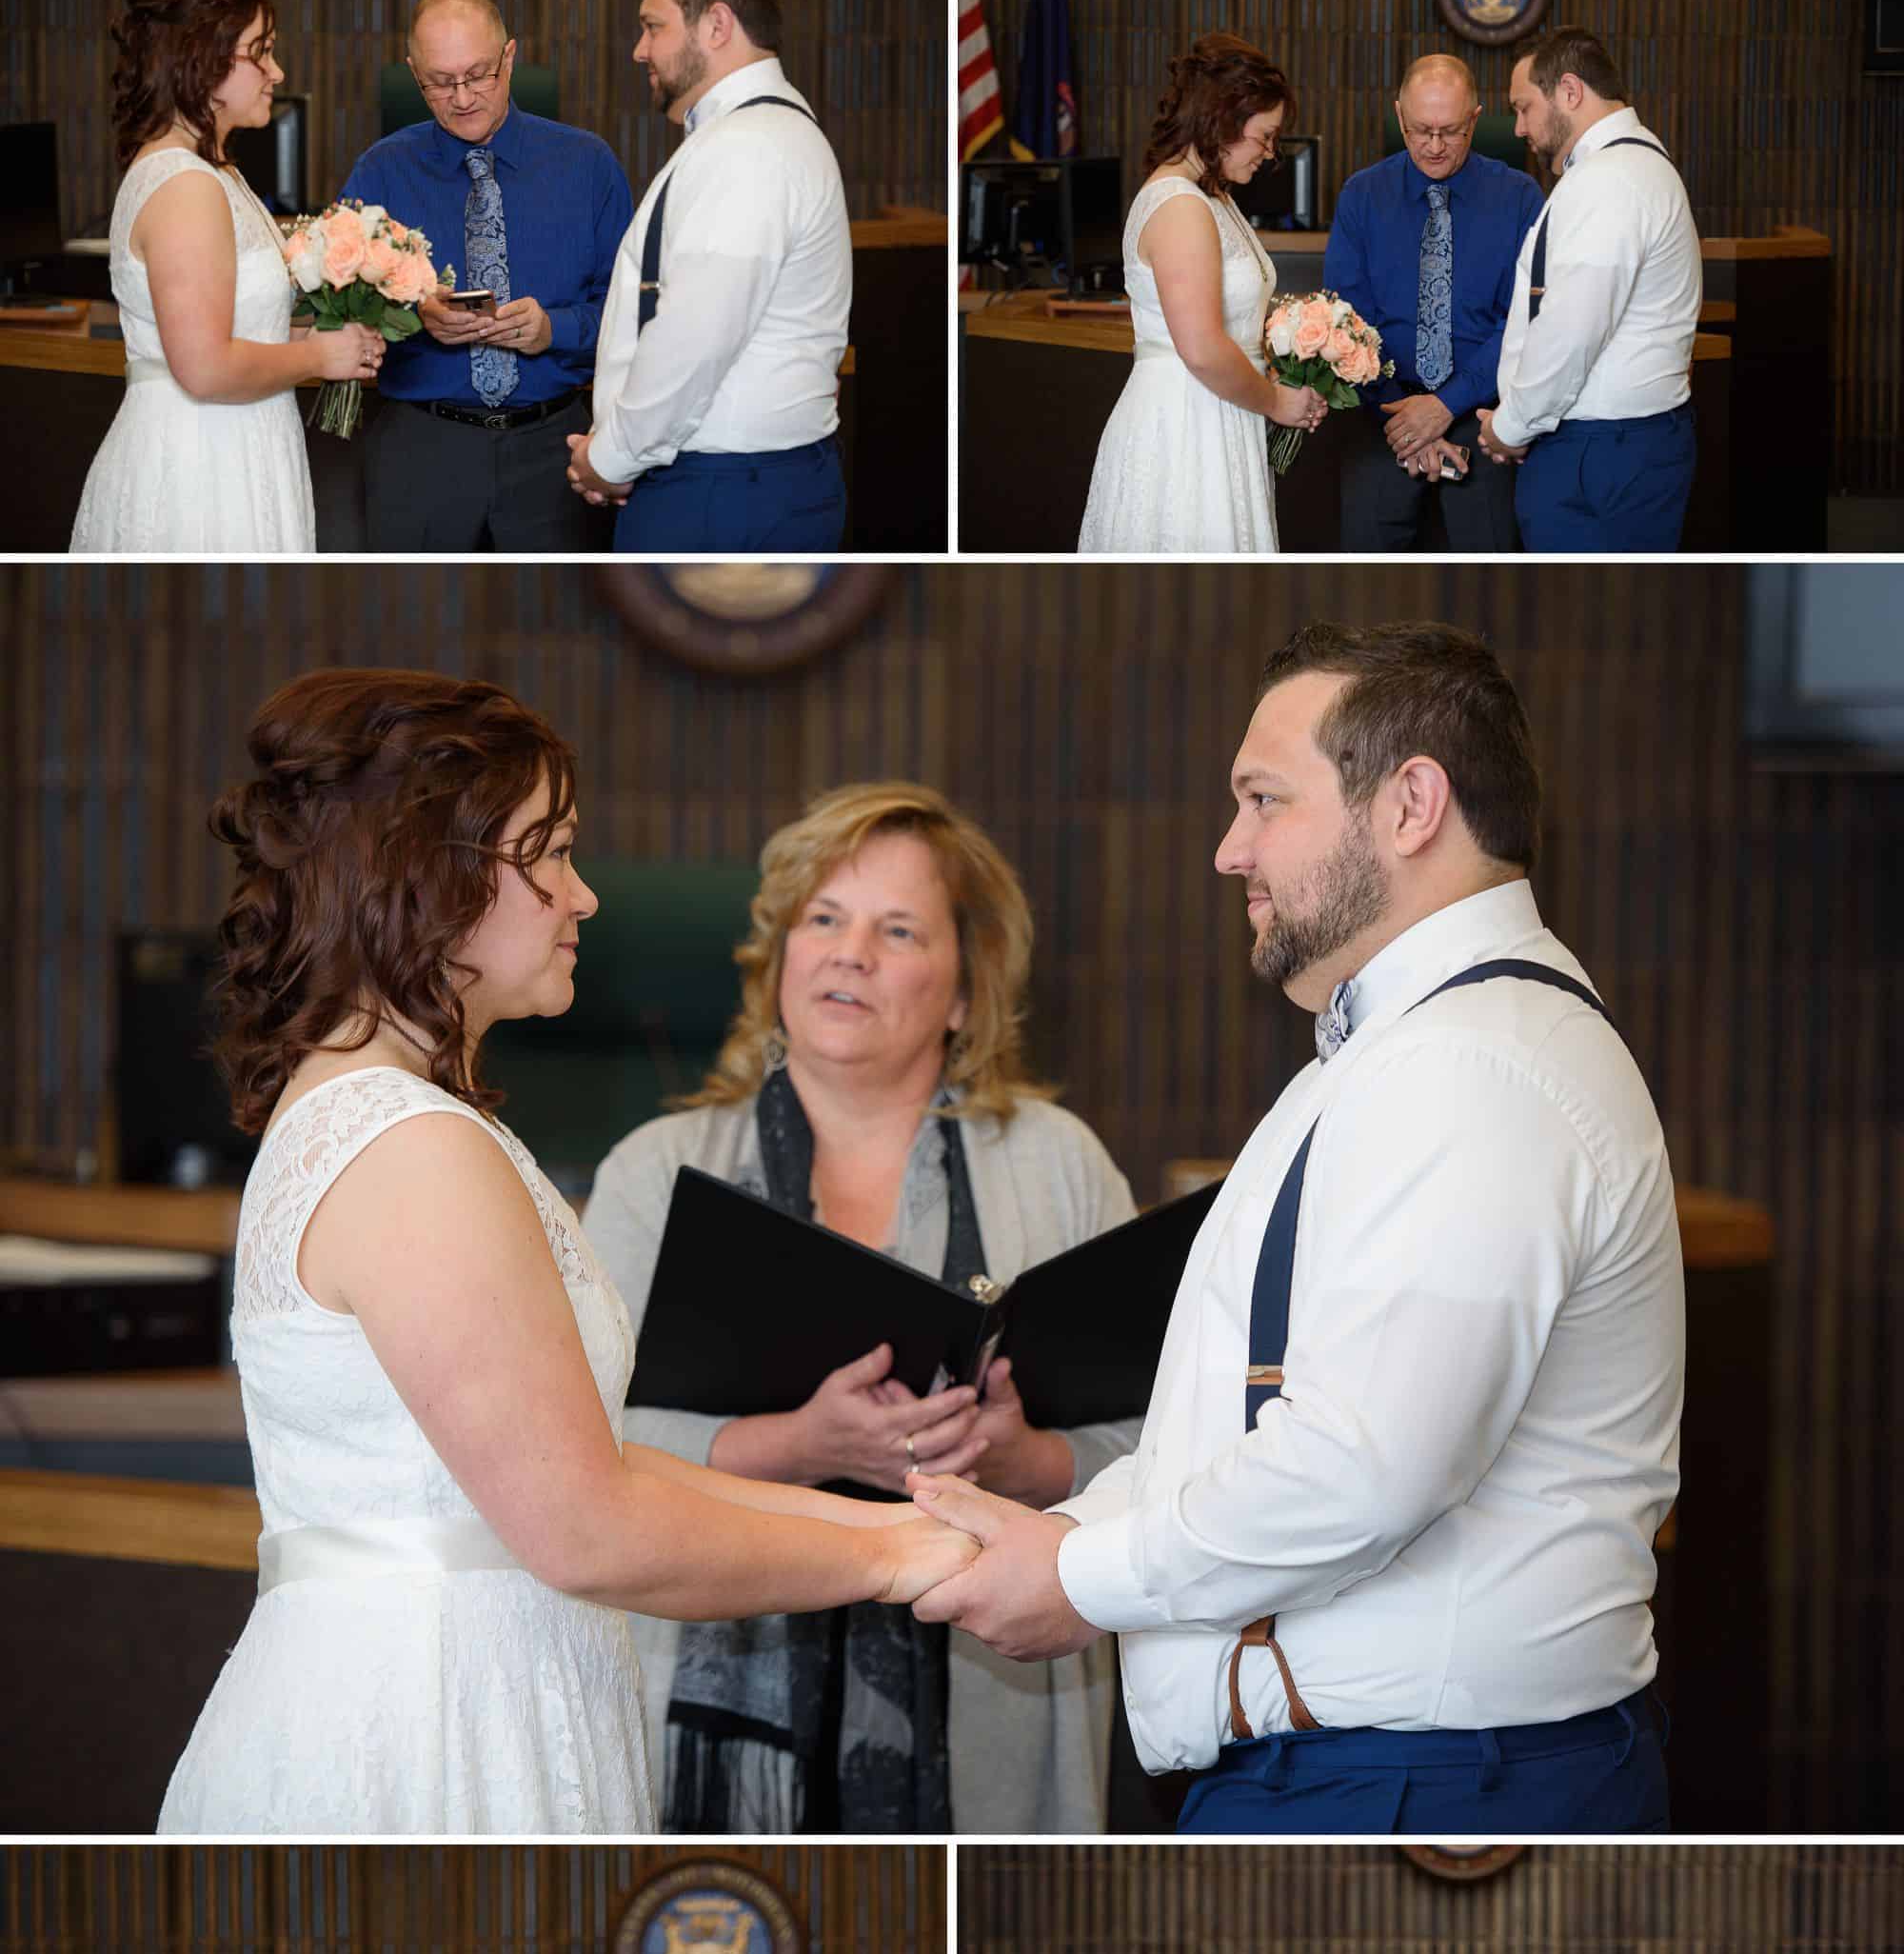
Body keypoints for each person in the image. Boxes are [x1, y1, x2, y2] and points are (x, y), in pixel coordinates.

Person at [158, 670, 976, 1840]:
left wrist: (924, 1519)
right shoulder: (405, 1143)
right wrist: (900, 1558)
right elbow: (584, 1526)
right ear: (423, 873)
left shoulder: (406, 1117)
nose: (580, 895)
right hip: (424, 1719)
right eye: (545, 853)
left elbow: (600, 1470)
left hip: (469, 1676)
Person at [909, 619, 1686, 1834]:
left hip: (1423, 1776)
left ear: (1409, 805)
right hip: (1375, 1766)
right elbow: (1243, 1434)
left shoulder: (1471, 1066)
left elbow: (1362, 1468)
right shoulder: (1394, 1052)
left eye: (1263, 800)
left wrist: (1076, 1574)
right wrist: (1050, 1533)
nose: (1228, 852)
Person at [584, 781, 1141, 1833]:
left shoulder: (1058, 1166)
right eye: (823, 920)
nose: (849, 954)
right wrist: (792, 1445)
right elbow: (574, 1451)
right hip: (698, 1694)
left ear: (965, 990)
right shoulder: (654, 1174)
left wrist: (1025, 1466)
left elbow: (1173, 1447)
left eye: (896, 930)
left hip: (992, 1699)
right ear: (780, 956)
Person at [69, 0, 382, 560]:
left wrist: (323, 331)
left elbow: (237, 327)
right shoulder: (185, 185)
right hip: (199, 457)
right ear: (203, 60)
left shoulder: (218, 171)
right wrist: (319, 356)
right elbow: (205, 369)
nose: (278, 73)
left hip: (240, 439)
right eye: (259, 54)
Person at [567, 0, 852, 554]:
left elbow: (695, 338)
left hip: (723, 494)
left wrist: (611, 457)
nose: (639, 49)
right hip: (733, 484)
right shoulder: (753, 134)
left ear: (717, 25)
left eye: (653, 27)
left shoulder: (750, 147)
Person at [339, 0, 633, 554]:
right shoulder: (382, 171)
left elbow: (634, 317)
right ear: (413, 73)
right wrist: (413, 314)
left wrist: (556, 329)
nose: (464, 97)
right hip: (419, 449)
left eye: (479, 75)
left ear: (510, 57)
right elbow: (335, 312)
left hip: (556, 450)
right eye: (440, 82)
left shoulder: (588, 165)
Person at [1077, 38, 1325, 557]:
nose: (1270, 152)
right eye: (1265, 136)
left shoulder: (1215, 197)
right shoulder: (1179, 205)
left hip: (1221, 410)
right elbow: (1204, 349)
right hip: (1186, 420)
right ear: (1223, 120)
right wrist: (1277, 401)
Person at [1479, 31, 1703, 554]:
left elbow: (1571, 332)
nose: (1519, 129)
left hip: (1601, 454)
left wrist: (1510, 428)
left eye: (1524, 108)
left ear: (1570, 92)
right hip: (1611, 446)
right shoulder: (1625, 167)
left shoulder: (1613, 180)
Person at [1322, 54, 1541, 552]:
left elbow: (1521, 324)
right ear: (1399, 115)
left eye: (1452, 131)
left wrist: (1445, 407)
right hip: (1383, 411)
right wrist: (1406, 419)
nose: (1435, 146)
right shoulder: (1362, 195)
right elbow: (1348, 319)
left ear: (1477, 119)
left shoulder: (1520, 197)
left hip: (1482, 416)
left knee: (1490, 574)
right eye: (1421, 130)